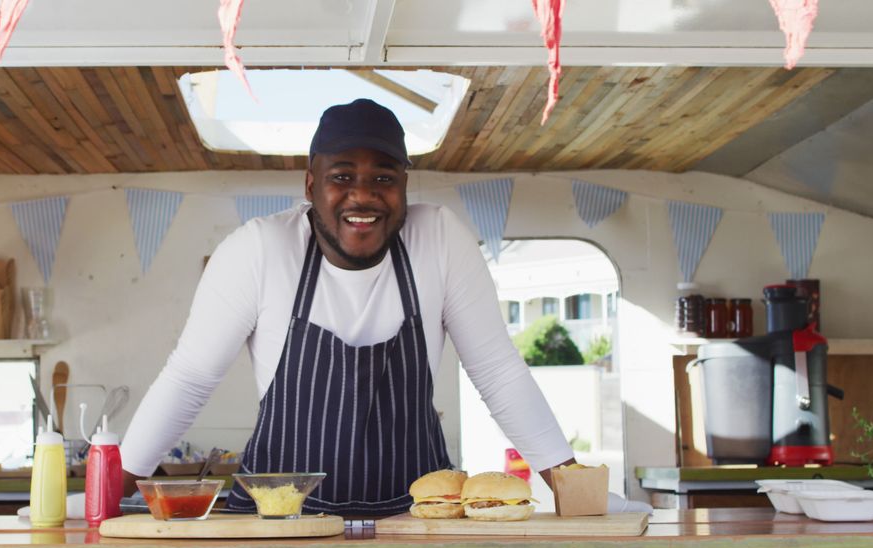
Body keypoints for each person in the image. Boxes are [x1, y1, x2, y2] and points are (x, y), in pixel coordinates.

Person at [120, 98, 649, 515]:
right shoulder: (259, 250)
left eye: (383, 178)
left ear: (404, 185)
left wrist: (574, 488)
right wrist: (104, 497)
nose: (363, 195)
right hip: (277, 526)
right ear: (311, 185)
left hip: (417, 522)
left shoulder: (438, 239)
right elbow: (189, 380)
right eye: (342, 176)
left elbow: (497, 371)